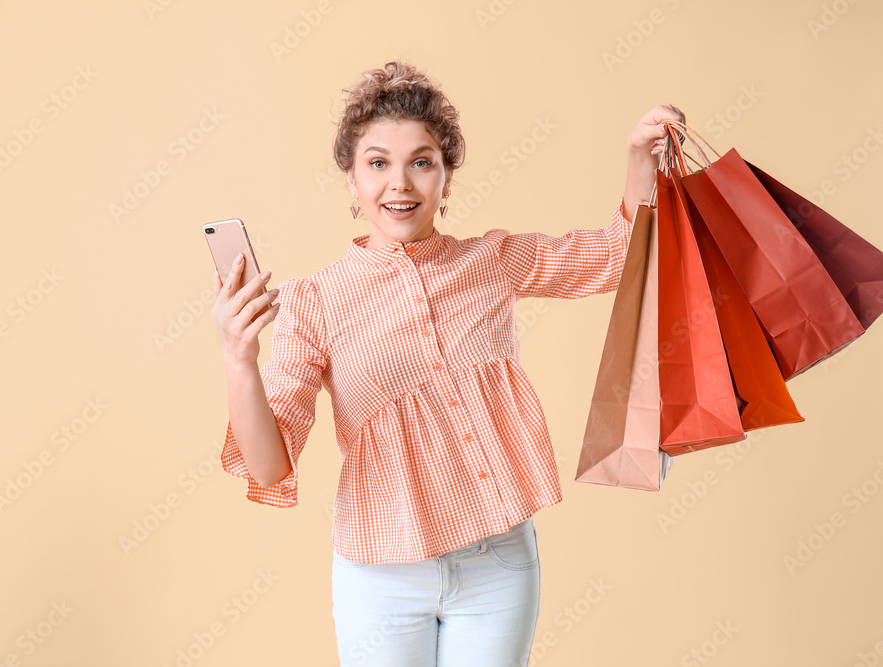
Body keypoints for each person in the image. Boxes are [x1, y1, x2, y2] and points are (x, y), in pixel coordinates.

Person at [211, 60, 684, 667]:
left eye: (422, 161)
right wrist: (239, 358)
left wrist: (638, 159)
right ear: (352, 181)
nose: (400, 183)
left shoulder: (492, 260)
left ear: (446, 176)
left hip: (500, 564)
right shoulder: (315, 302)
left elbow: (619, 257)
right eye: (378, 163)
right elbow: (270, 468)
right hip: (381, 575)